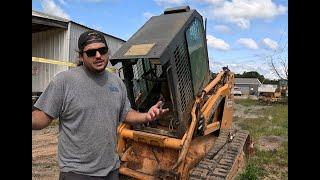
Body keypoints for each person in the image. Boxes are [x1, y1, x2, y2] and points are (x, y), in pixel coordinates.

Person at [32, 30, 169, 180]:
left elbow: (125, 113)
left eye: (102, 50)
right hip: (77, 172)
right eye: (91, 52)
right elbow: (41, 118)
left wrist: (146, 116)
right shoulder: (64, 81)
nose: (98, 55)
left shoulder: (116, 82)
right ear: (81, 56)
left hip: (111, 170)